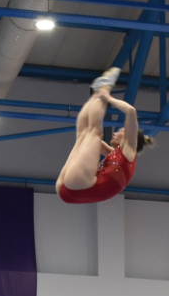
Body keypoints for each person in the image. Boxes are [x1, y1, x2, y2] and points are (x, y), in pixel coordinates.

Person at [56, 68, 154, 204]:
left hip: (80, 185)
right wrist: (101, 99)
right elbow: (130, 112)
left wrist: (107, 98)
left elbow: (131, 111)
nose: (116, 132)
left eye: (120, 130)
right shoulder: (121, 156)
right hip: (71, 190)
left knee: (94, 132)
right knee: (85, 134)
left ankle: (104, 87)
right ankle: (99, 91)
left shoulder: (129, 152)